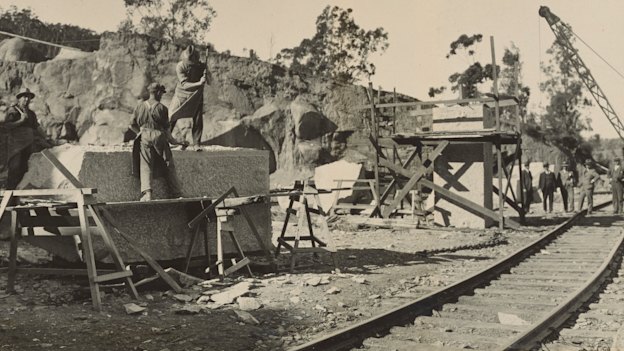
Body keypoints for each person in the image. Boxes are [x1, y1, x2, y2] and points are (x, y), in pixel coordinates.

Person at [130, 82, 188, 201]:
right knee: (168, 164)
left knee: (145, 164)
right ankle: (176, 193)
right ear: (158, 93)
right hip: (159, 136)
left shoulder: (139, 107)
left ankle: (148, 194)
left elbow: (131, 125)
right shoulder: (162, 108)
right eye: (161, 93)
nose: (161, 95)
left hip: (144, 135)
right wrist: (177, 142)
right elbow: (168, 133)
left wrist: (139, 132)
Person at [0, 88, 50, 189]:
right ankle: (10, 197)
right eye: (24, 97)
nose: (26, 99)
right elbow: (6, 126)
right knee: (15, 168)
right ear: (19, 98)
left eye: (28, 97)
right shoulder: (13, 111)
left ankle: (20, 196)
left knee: (25, 169)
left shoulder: (31, 113)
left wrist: (47, 137)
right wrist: (21, 121)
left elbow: (37, 127)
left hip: (28, 144)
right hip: (16, 146)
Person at [169, 45, 207, 147]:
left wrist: (205, 75)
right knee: (172, 115)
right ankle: (166, 138)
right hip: (181, 93)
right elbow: (185, 85)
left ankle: (196, 143)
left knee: (198, 118)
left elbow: (210, 80)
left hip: (196, 95)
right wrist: (199, 83)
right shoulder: (180, 66)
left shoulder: (201, 66)